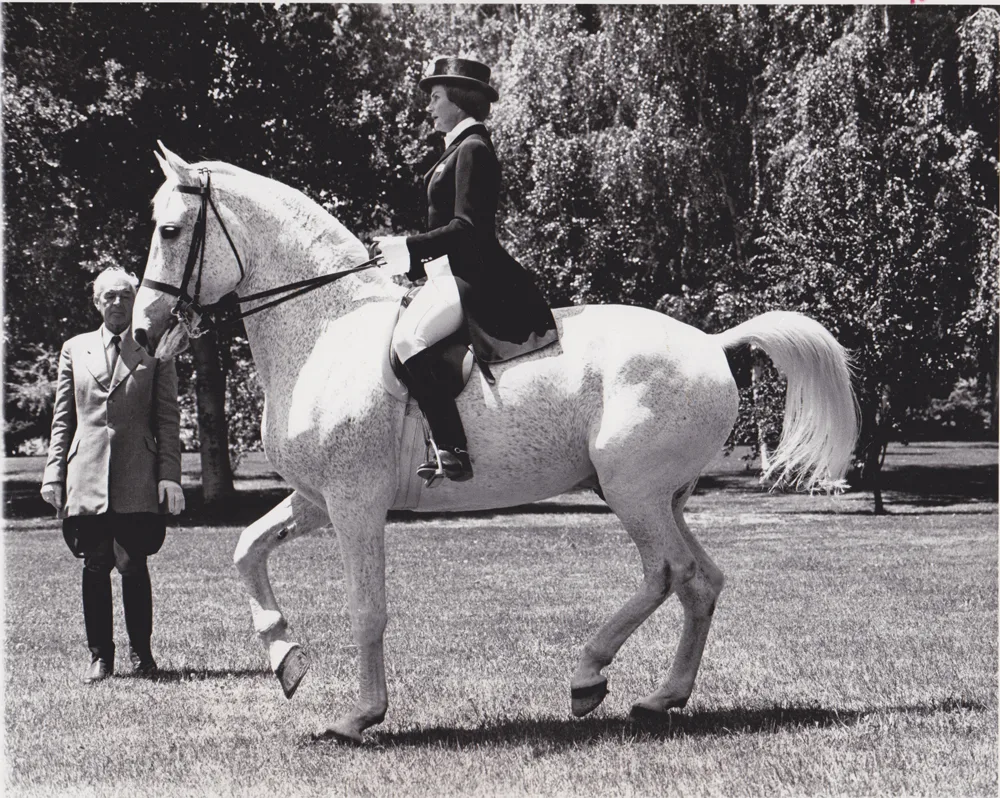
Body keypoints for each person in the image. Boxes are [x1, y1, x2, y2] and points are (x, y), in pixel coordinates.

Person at [374, 55, 559, 484]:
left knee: (408, 338)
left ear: (457, 101)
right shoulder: (457, 149)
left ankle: (453, 447)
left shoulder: (474, 149)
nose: (429, 106)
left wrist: (407, 246)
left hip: (474, 278)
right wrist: (405, 261)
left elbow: (467, 229)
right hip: (445, 274)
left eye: (435, 97)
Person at [41, 266, 185, 684]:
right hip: (84, 475)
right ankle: (100, 658)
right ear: (97, 302)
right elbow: (62, 419)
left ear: (134, 300)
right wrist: (53, 474)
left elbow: (168, 419)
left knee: (132, 563)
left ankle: (143, 656)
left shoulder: (154, 350)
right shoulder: (74, 348)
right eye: (110, 296)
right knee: (95, 563)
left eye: (125, 295)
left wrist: (169, 475)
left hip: (138, 475)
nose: (118, 303)